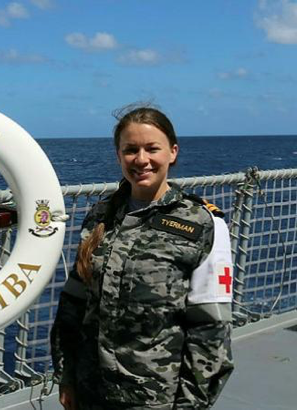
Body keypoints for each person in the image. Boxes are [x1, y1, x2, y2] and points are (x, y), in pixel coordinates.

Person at [50, 106, 234, 409]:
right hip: (90, 390)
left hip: (153, 398)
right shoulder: (100, 216)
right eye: (131, 150)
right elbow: (74, 305)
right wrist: (67, 376)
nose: (141, 159)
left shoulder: (202, 224)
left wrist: (191, 405)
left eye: (152, 148)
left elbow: (210, 328)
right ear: (118, 155)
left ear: (172, 152)